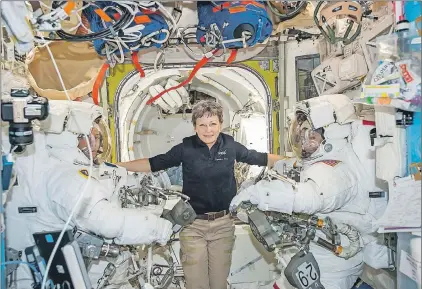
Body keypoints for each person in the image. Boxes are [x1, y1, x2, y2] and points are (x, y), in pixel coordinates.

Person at [116, 100, 284, 289]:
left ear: (220, 124)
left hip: (223, 225)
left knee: (219, 284)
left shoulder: (230, 146)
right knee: (196, 284)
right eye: (202, 125)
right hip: (193, 225)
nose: (208, 130)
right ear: (195, 127)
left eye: (213, 124)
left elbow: (260, 158)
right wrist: (118, 167)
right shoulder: (185, 148)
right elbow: (154, 163)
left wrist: (290, 162)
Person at [4, 101, 173, 288]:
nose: (96, 142)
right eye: (89, 135)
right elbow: (108, 222)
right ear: (70, 137)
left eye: (97, 135)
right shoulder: (66, 178)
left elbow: (123, 176)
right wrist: (161, 228)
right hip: (77, 275)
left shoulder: (58, 166)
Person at [230, 94, 392, 289]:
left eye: (311, 135)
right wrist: (257, 182)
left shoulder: (336, 170)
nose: (304, 141)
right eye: (301, 134)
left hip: (331, 269)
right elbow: (289, 168)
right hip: (314, 256)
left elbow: (310, 198)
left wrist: (258, 194)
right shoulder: (316, 164)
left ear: (331, 136)